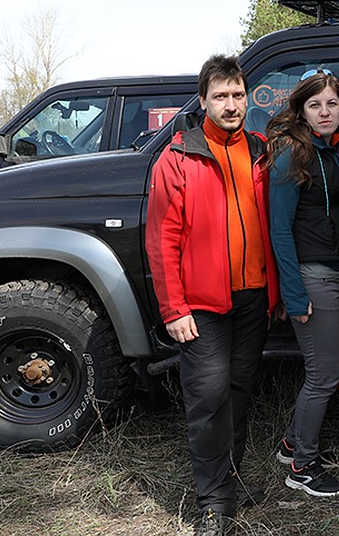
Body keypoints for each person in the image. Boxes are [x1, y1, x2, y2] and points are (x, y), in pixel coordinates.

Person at [145, 54, 279, 536]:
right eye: (220, 96)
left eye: (238, 95)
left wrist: (277, 293)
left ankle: (229, 482)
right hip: (200, 307)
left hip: (252, 300)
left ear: (249, 98)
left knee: (239, 394)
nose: (230, 105)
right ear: (202, 100)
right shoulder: (179, 157)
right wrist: (174, 309)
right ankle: (213, 503)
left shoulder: (261, 151)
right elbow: (162, 239)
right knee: (208, 397)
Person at [266, 70, 339, 499]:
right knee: (323, 375)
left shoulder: (338, 151)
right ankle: (302, 466)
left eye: (332, 103)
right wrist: (293, 291)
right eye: (315, 104)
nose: (325, 112)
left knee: (332, 367)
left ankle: (290, 444)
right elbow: (280, 229)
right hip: (313, 276)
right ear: (302, 109)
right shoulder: (292, 154)